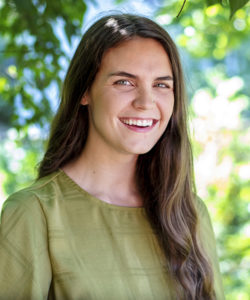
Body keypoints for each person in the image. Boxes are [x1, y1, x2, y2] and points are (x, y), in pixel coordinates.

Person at [0, 13, 224, 300]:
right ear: (84, 91)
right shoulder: (34, 213)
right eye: (124, 82)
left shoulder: (189, 213)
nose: (146, 103)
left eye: (161, 85)